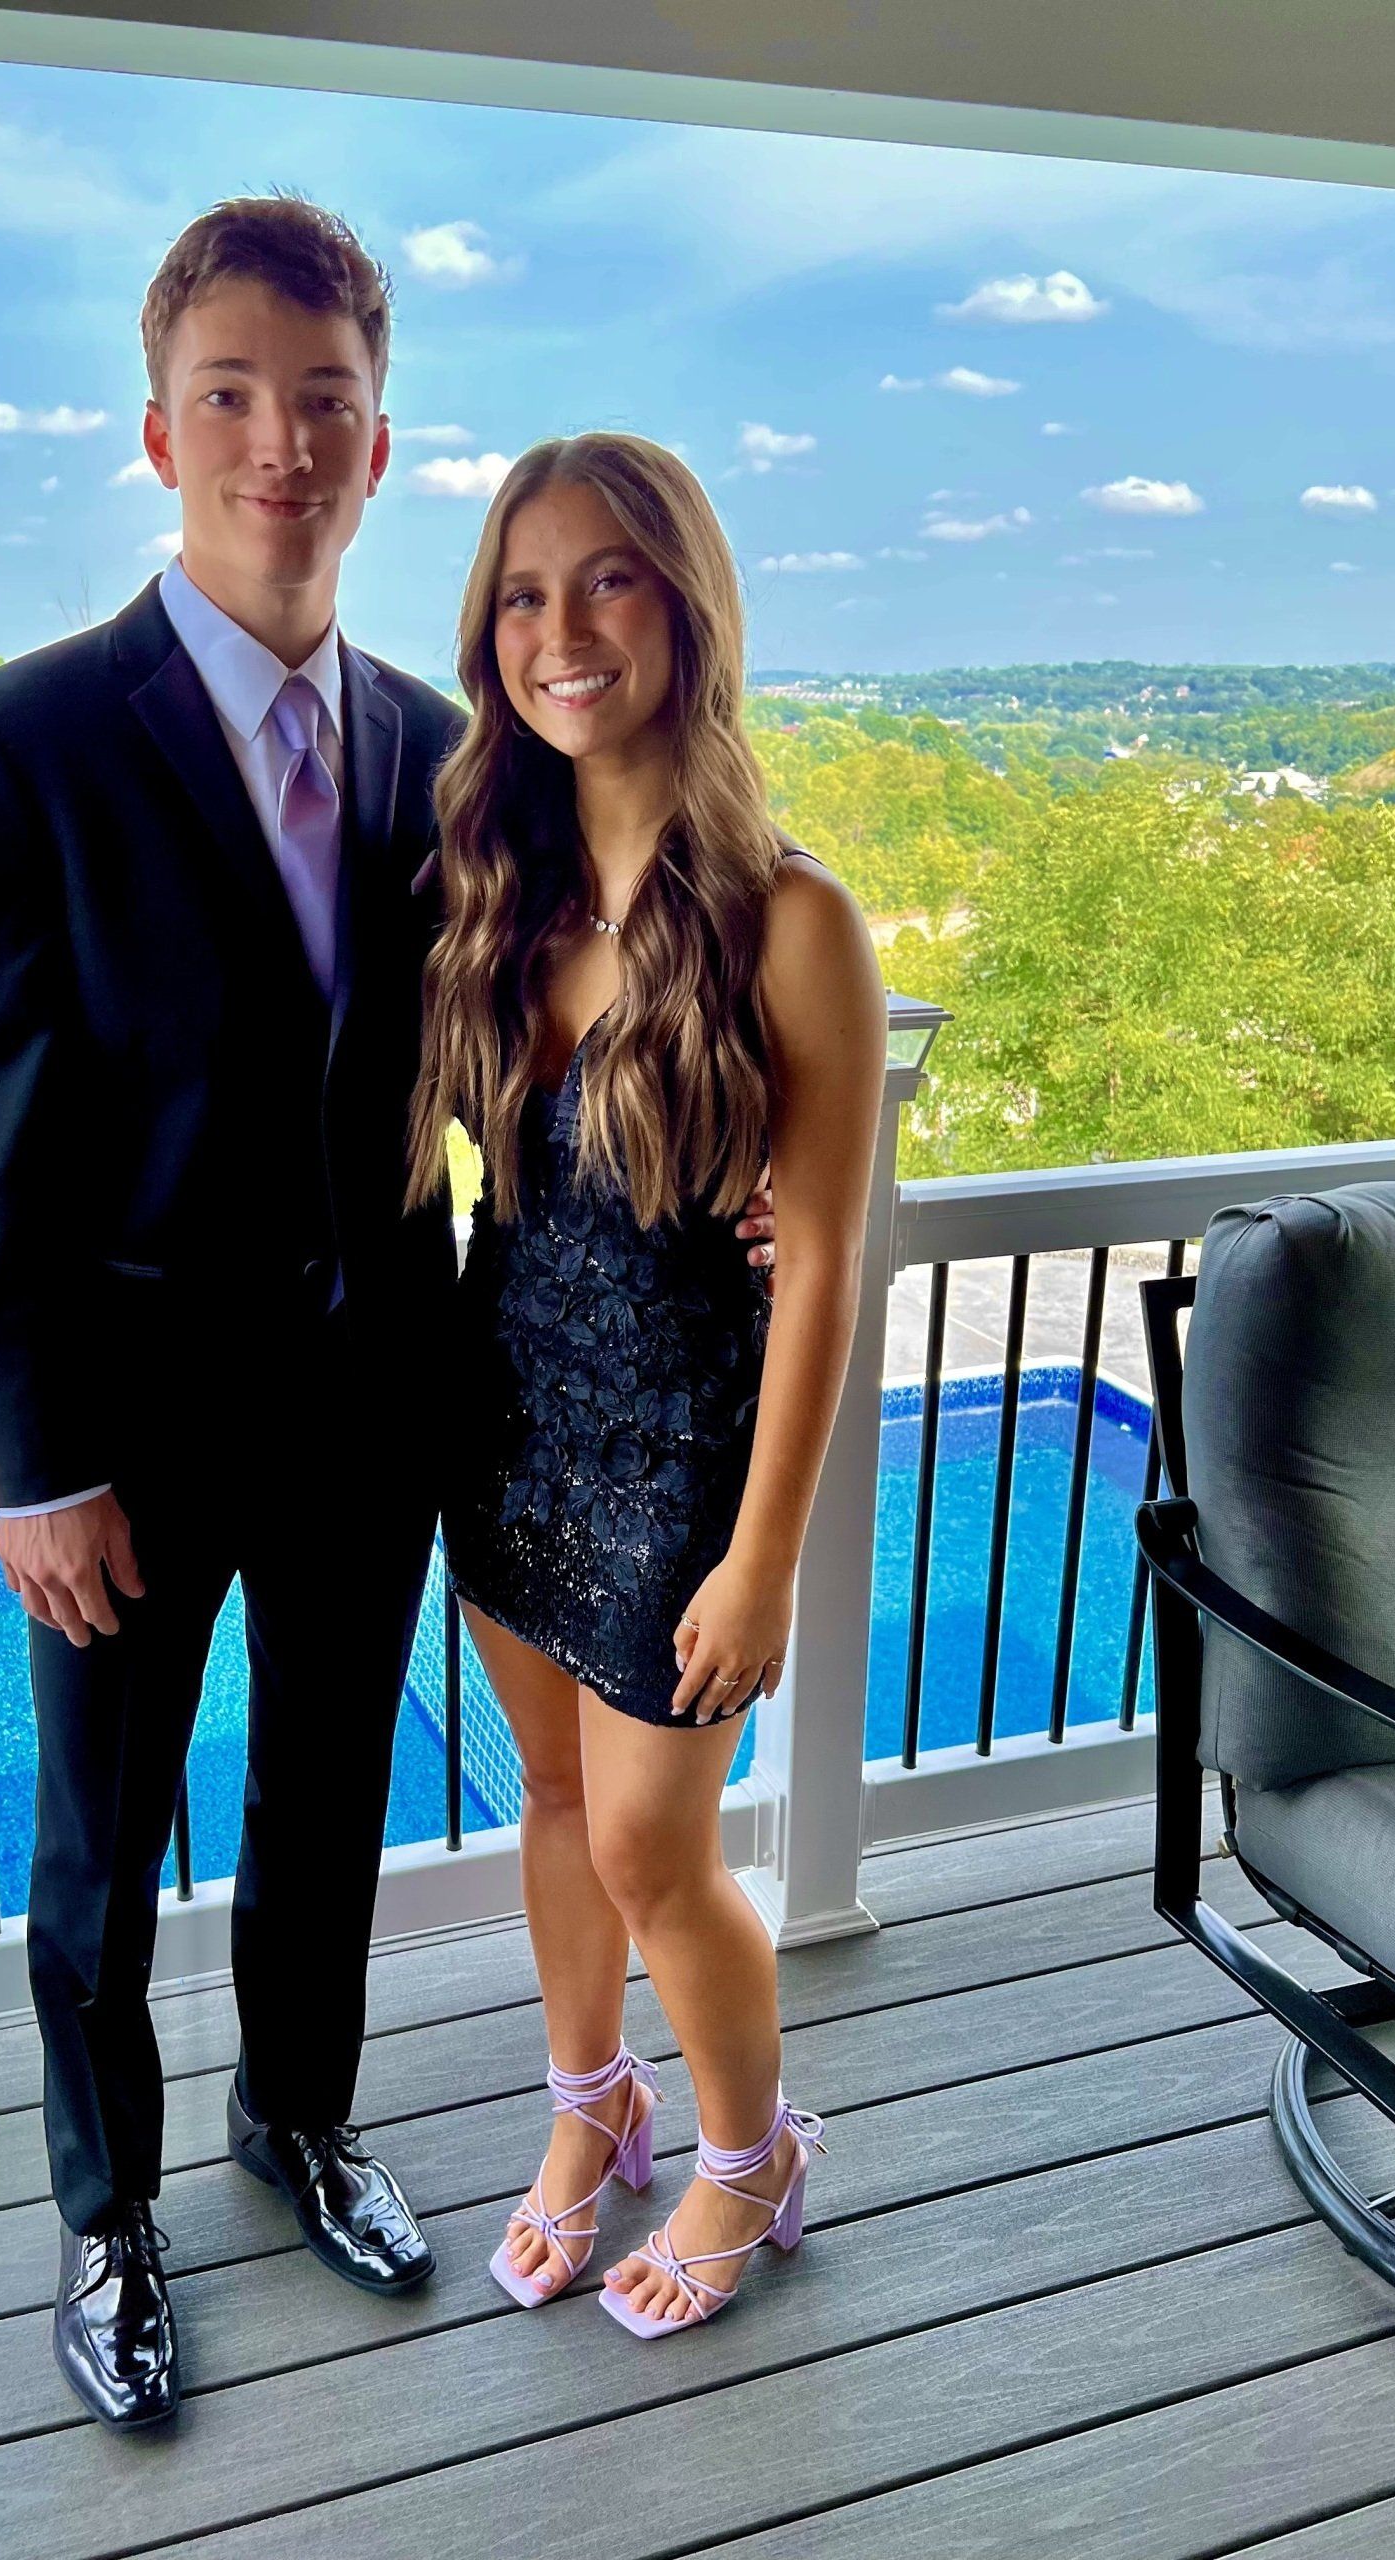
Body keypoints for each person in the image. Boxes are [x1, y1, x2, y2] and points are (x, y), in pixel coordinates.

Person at [0, 201, 779, 2427]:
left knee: (321, 1803)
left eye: (324, 401)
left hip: (378, 1415)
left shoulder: (445, 754)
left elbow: (582, 994)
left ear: (380, 445)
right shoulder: (20, 745)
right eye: (233, 394)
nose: (279, 442)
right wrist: (37, 1460)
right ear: (158, 429)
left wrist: (759, 1162)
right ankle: (108, 2222)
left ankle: (296, 2115)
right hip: (129, 1428)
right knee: (99, 1847)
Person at [408, 433, 888, 2336]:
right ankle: (585, 2115)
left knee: (650, 1844)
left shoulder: (794, 921)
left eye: (606, 578)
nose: (561, 629)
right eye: (522, 594)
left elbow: (830, 1251)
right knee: (546, 1798)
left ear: (683, 601)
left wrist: (764, 1557)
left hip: (687, 1452)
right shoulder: (488, 898)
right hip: (506, 1431)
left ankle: (751, 2152)